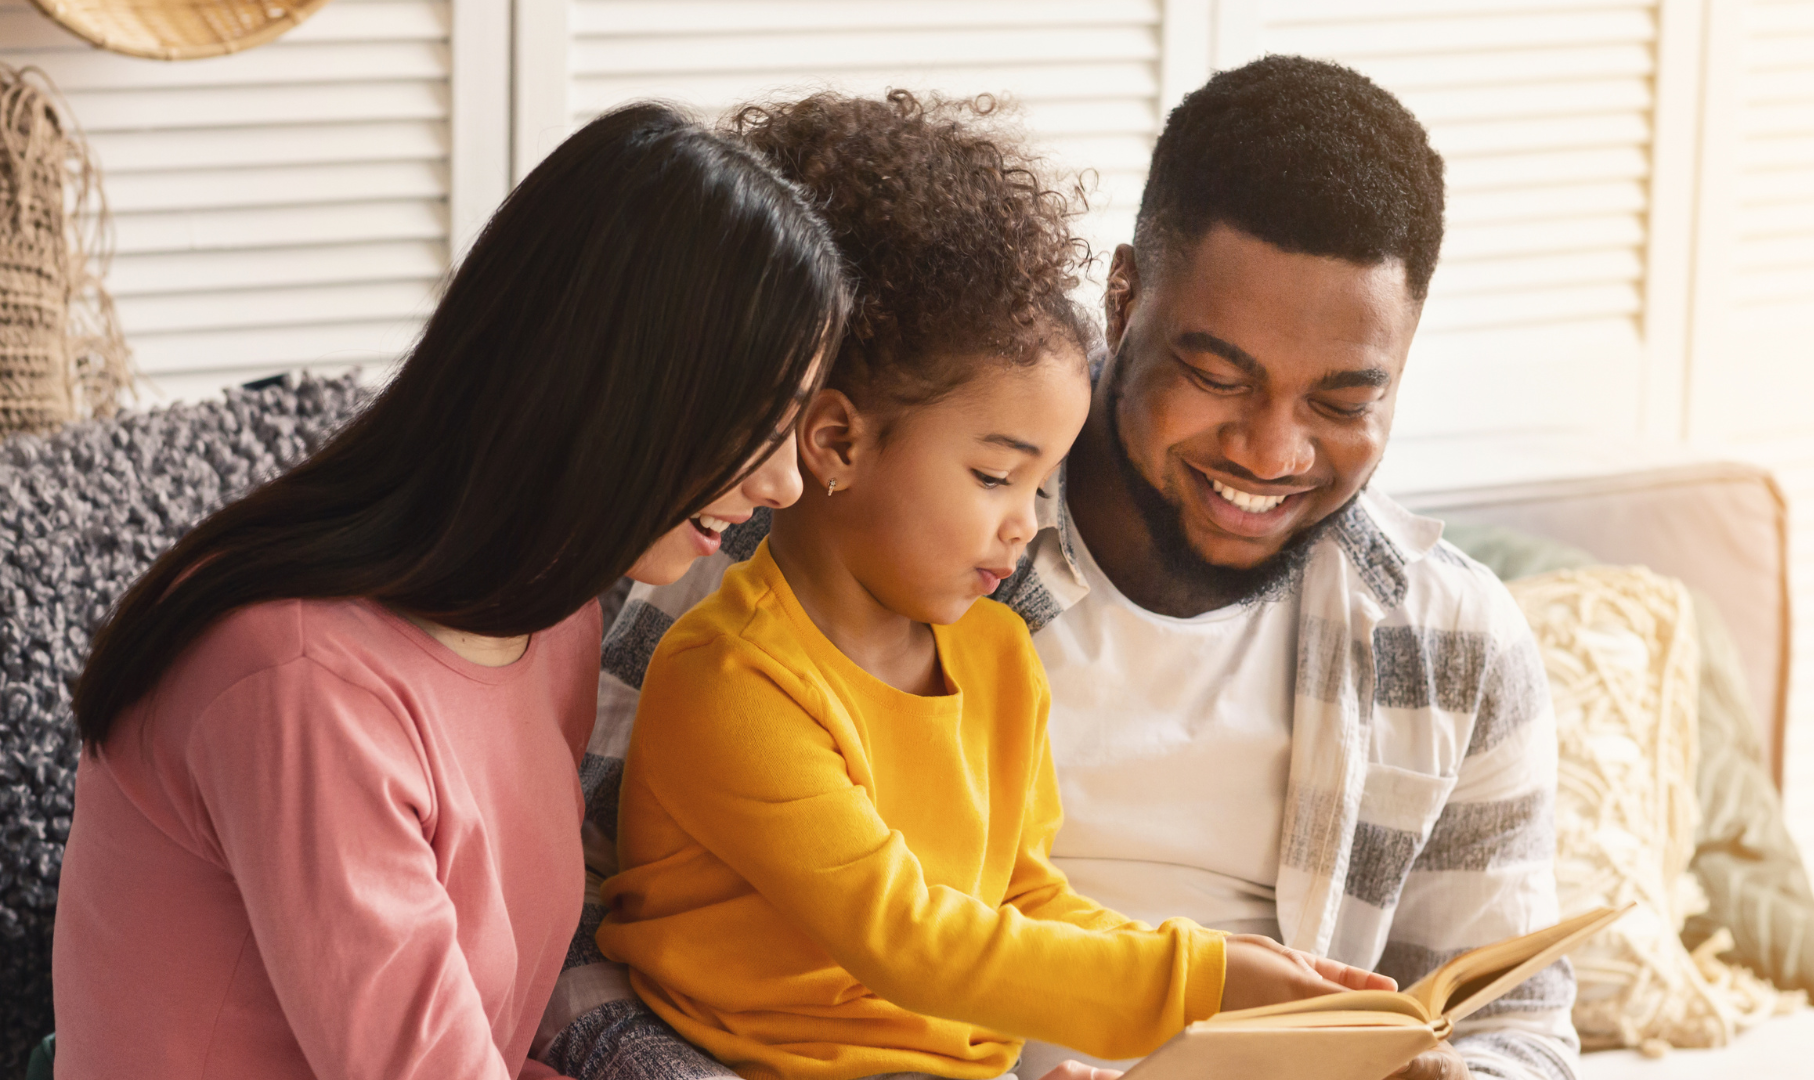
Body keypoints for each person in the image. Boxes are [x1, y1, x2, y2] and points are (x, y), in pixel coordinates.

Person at [548, 57, 1574, 1080]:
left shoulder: (1454, 644)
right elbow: (571, 915)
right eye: (1217, 375)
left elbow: (1518, 1027)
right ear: (1123, 298)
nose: (1270, 453)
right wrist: (1206, 980)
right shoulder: (779, 518)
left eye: (1342, 402)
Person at [50, 103, 848, 1080]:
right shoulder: (303, 680)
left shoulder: (552, 619)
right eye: (761, 421)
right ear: (614, 386)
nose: (786, 483)